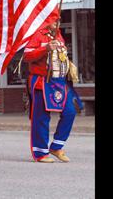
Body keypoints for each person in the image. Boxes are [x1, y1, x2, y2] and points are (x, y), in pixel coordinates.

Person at [23, 15, 83, 163]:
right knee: (41, 117)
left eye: (59, 19)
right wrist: (45, 48)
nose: (57, 22)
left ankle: (57, 146)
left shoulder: (59, 35)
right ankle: (40, 152)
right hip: (42, 81)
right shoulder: (37, 35)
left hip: (60, 82)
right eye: (54, 19)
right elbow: (27, 56)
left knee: (70, 111)